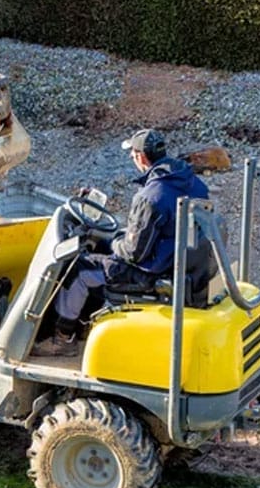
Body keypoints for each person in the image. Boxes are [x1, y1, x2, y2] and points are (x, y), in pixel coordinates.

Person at [33, 128, 210, 357]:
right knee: (105, 249)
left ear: (142, 157)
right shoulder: (190, 182)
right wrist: (120, 238)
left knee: (80, 269)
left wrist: (117, 239)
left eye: (133, 154)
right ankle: (86, 325)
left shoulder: (151, 196)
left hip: (153, 272)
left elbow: (134, 253)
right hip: (180, 262)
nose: (131, 158)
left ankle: (63, 339)